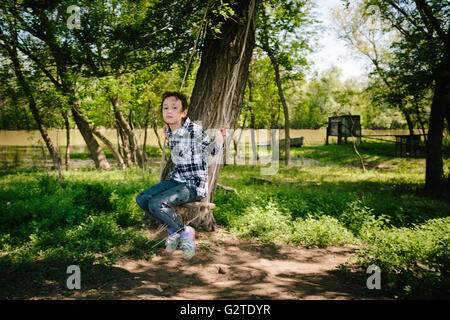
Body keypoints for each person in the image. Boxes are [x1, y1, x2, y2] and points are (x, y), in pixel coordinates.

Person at [136, 91, 227, 260]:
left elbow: (213, 151)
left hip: (193, 185)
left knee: (156, 203)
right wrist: (168, 134)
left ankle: (185, 233)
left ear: (184, 113)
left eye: (174, 108)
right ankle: (174, 230)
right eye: (165, 108)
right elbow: (176, 138)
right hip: (177, 180)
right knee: (142, 199)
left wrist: (220, 139)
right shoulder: (171, 131)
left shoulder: (194, 130)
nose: (169, 111)